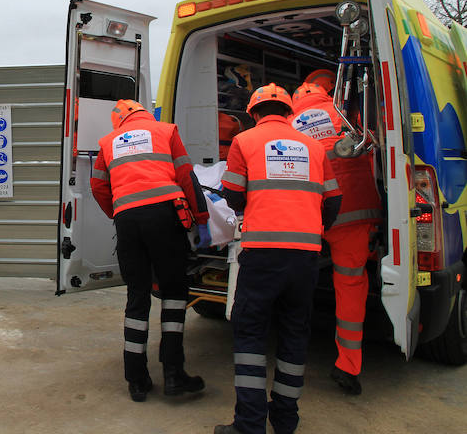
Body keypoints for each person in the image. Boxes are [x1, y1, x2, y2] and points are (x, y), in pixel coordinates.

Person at [215, 84, 342, 434]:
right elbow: (333, 201)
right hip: (305, 257)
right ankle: (285, 420)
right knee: (294, 333)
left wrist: (252, 208)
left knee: (251, 335)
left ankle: (249, 425)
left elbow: (233, 193)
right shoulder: (316, 148)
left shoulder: (246, 141)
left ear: (254, 112)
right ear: (289, 112)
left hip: (262, 253)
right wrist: (313, 230)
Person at [90, 99, 209, 402]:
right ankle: (173, 374)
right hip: (165, 215)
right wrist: (202, 217)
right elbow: (185, 176)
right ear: (144, 113)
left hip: (128, 220)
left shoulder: (108, 142)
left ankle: (137, 380)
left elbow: (98, 186)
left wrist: (118, 212)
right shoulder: (166, 130)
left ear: (120, 122)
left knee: (137, 296)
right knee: (173, 293)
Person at [290, 82, 381, 395]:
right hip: (357, 213)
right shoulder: (347, 114)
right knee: (350, 285)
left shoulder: (290, 125)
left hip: (313, 213)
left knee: (296, 280)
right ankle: (348, 366)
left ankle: (289, 354)